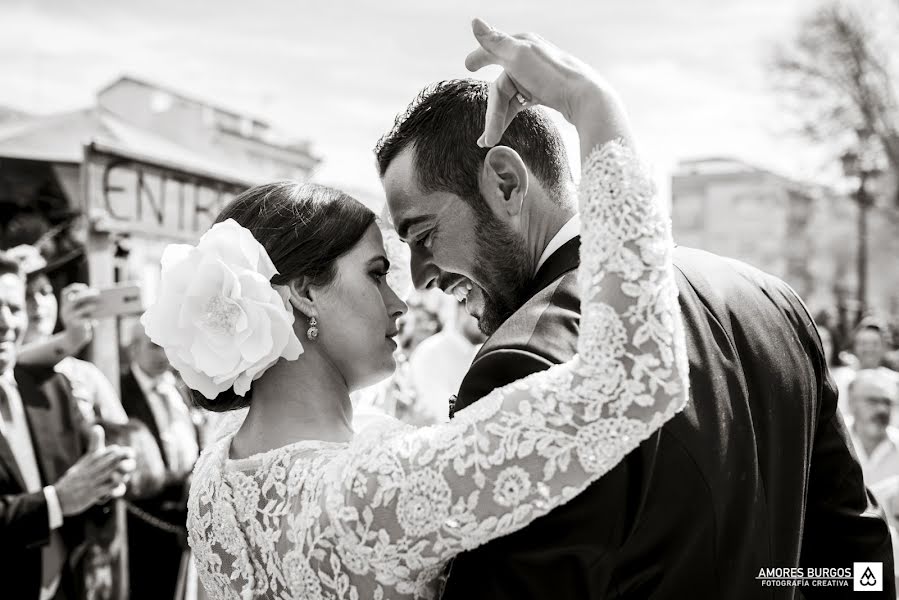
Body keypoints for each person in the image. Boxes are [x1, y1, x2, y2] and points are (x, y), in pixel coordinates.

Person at [151, 20, 691, 600]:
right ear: (303, 292)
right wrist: (592, 105)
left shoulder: (216, 475)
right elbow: (636, 378)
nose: (404, 297)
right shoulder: (372, 491)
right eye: (378, 273)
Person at [376, 23, 895, 600]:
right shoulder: (773, 299)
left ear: (505, 183)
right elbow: (855, 565)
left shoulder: (525, 358)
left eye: (422, 234)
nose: (421, 276)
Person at [0, 252, 135, 600]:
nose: (6, 323)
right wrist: (56, 501)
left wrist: (106, 478)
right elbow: (63, 495)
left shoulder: (49, 386)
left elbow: (83, 476)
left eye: (13, 309)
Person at [120, 323, 202, 600]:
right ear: (133, 349)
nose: (163, 355)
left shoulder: (179, 387)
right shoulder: (120, 392)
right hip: (145, 522)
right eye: (154, 346)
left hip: (185, 516)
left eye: (168, 346)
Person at [408, 300, 484, 424]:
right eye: (484, 313)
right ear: (464, 309)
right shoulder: (430, 354)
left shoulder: (482, 351)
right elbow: (443, 417)